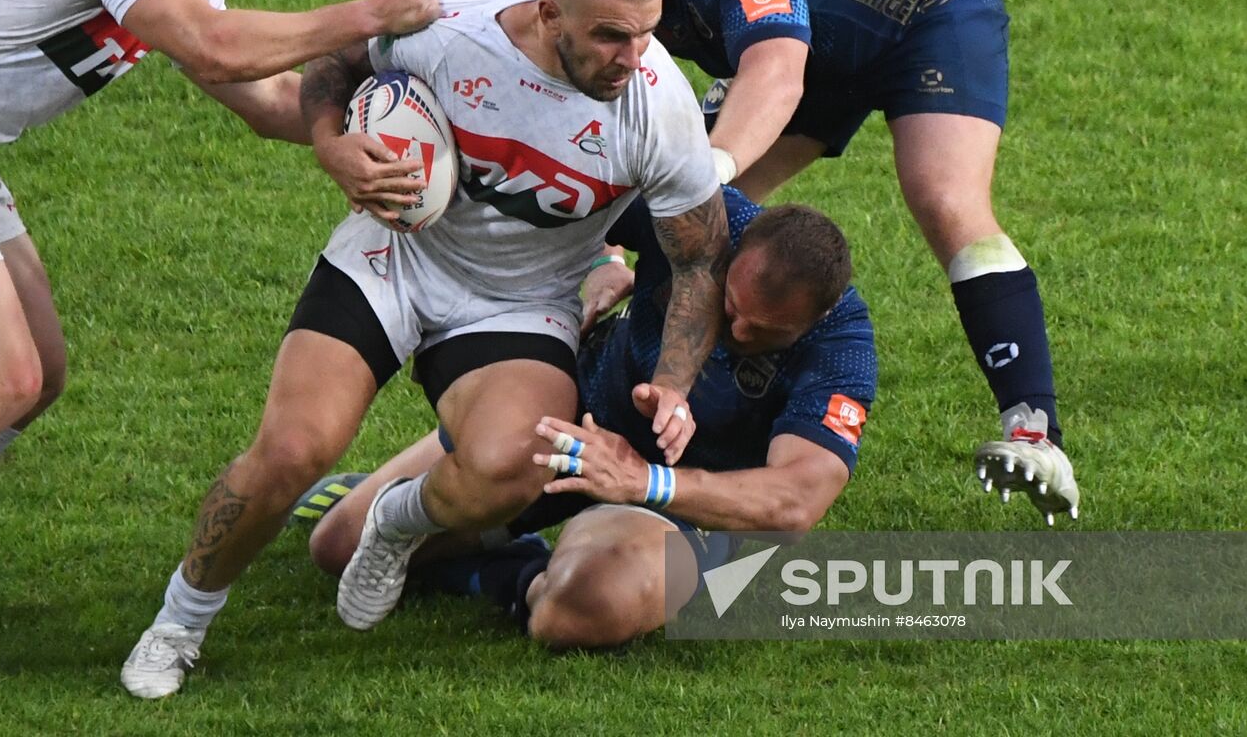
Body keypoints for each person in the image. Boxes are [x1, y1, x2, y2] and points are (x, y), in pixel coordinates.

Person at [120, 0, 730, 698]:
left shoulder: (658, 107)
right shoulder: (451, 32)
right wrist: (333, 143)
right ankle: (179, 621)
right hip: (395, 259)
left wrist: (673, 381)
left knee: (516, 465)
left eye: (645, 35)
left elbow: (699, 256)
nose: (632, 58)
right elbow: (336, 67)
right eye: (610, 36)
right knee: (292, 452)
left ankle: (396, 522)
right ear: (549, 14)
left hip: (517, 302)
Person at [536, 0, 1079, 524]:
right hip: (814, 33)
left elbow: (775, 73)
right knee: (659, 204)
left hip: (925, 11)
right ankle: (616, 363)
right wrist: (607, 253)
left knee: (946, 202)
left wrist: (708, 173)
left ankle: (1034, 430)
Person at [0, 0, 439, 481]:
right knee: (3, 378)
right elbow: (212, 45)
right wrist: (369, 14)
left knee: (40, 374)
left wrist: (353, 134)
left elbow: (267, 97)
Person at [304, 189, 876, 647]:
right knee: (339, 546)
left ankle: (515, 571)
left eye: (767, 333)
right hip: (578, 418)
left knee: (581, 608)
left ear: (818, 316)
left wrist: (644, 482)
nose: (738, 334)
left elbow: (796, 501)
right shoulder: (703, 213)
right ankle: (456, 512)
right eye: (729, 307)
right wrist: (606, 259)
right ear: (735, 249)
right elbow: (575, 187)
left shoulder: (843, 346)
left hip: (682, 503)